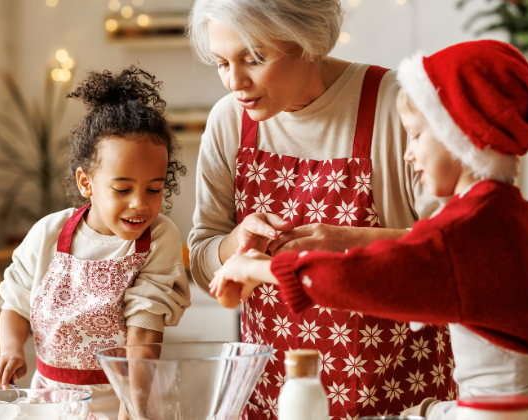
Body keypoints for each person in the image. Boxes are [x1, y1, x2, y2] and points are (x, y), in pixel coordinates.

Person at [210, 40, 528, 420]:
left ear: (462, 135)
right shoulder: (503, 212)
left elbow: (359, 278)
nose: (409, 153)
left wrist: (255, 268)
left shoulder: (470, 230)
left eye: (418, 136)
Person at [187, 0, 456, 417]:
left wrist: (350, 242)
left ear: (307, 40)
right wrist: (236, 242)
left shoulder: (396, 106)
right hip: (270, 396)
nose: (234, 82)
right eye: (222, 63)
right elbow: (203, 261)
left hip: (396, 397)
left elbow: (458, 255)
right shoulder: (229, 122)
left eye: (253, 58)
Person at [0, 66, 192, 420]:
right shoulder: (48, 233)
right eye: (122, 189)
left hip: (121, 400)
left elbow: (143, 338)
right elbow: (16, 304)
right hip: (48, 403)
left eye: (154, 189)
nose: (140, 204)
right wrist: (11, 350)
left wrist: (133, 407)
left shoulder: (158, 239)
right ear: (87, 183)